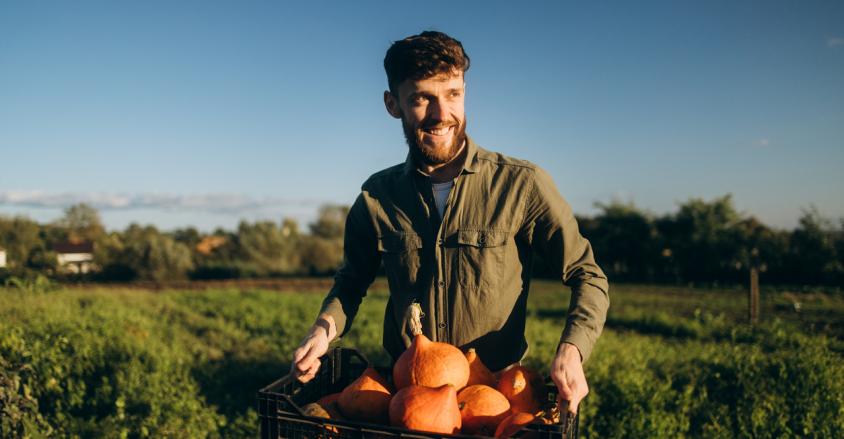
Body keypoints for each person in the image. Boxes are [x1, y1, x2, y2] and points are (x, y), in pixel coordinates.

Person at [291, 30, 609, 415]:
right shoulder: (377, 197)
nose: (442, 114)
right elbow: (351, 281)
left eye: (453, 94)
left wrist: (572, 350)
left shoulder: (522, 185)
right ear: (393, 104)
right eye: (422, 98)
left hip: (496, 399)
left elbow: (586, 274)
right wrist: (323, 329)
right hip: (406, 395)